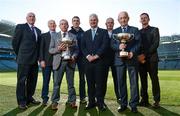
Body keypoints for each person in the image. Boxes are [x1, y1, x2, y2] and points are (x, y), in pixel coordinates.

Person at [111, 11, 141, 113]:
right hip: (119, 60)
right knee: (121, 83)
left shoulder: (135, 30)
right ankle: (123, 104)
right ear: (118, 20)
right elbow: (112, 45)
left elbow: (138, 43)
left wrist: (132, 52)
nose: (123, 20)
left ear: (128, 18)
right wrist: (119, 47)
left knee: (134, 83)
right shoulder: (115, 31)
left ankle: (133, 104)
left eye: (125, 18)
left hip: (131, 59)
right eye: (121, 18)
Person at [12, 12, 41, 110]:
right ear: (26, 18)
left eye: (33, 16)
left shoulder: (38, 30)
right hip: (24, 59)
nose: (32, 18)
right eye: (30, 16)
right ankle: (21, 102)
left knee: (32, 81)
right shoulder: (20, 27)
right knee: (21, 81)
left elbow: (38, 45)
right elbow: (15, 43)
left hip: (34, 60)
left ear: (35, 18)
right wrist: (20, 54)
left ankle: (29, 98)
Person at [81, 13, 109, 111]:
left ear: (97, 21)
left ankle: (100, 103)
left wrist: (96, 56)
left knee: (100, 84)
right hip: (88, 63)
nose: (93, 21)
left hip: (100, 62)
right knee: (90, 83)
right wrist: (88, 56)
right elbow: (82, 46)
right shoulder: (85, 33)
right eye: (91, 20)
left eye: (94, 20)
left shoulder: (104, 32)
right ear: (89, 21)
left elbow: (105, 45)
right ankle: (91, 102)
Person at [49, 19, 79, 110]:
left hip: (70, 61)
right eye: (62, 24)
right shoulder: (54, 36)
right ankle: (54, 102)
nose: (64, 26)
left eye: (65, 24)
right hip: (59, 62)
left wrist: (74, 56)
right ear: (59, 25)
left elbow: (77, 50)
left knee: (71, 84)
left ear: (68, 25)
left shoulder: (73, 36)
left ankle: (72, 101)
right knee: (56, 84)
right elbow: (50, 50)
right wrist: (58, 49)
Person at [138, 13, 160, 108]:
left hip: (152, 59)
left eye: (145, 18)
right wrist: (139, 56)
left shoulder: (154, 30)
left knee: (154, 79)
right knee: (143, 81)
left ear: (148, 19)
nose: (143, 19)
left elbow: (155, 44)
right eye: (142, 18)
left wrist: (144, 55)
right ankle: (144, 100)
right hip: (141, 60)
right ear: (140, 20)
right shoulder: (138, 32)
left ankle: (156, 100)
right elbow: (137, 46)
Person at [69, 16, 86, 104]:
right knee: (70, 78)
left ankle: (82, 97)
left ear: (79, 22)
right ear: (72, 23)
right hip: (71, 58)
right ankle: (71, 98)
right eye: (74, 21)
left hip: (82, 58)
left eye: (77, 21)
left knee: (82, 78)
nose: (76, 22)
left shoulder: (84, 32)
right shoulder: (68, 33)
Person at [39, 20, 56, 106]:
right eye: (50, 24)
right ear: (48, 25)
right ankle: (44, 98)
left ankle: (55, 99)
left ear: (56, 25)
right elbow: (41, 49)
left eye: (53, 23)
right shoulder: (43, 36)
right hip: (46, 62)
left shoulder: (59, 35)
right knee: (46, 81)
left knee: (56, 82)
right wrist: (41, 60)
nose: (52, 25)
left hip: (57, 63)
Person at [103, 17, 120, 103]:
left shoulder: (117, 33)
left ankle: (119, 97)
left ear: (113, 24)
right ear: (105, 24)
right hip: (104, 60)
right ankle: (102, 99)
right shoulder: (102, 33)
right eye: (108, 23)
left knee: (117, 79)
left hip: (115, 59)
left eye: (111, 22)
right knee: (103, 80)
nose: (110, 24)